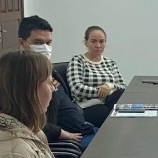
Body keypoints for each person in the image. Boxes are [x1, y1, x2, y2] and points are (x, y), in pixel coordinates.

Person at [18, 15, 98, 149]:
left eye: (48, 43)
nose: (45, 48)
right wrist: (62, 134)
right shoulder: (21, 77)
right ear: (22, 43)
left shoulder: (49, 70)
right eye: (38, 43)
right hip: (70, 141)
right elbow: (29, 122)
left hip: (85, 130)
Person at [67, 26, 126, 127]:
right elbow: (76, 88)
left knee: (120, 95)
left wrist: (109, 86)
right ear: (86, 42)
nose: (98, 45)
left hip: (110, 102)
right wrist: (103, 92)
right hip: (87, 106)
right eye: (93, 41)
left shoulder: (110, 62)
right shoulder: (78, 60)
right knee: (113, 115)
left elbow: (123, 86)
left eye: (101, 41)